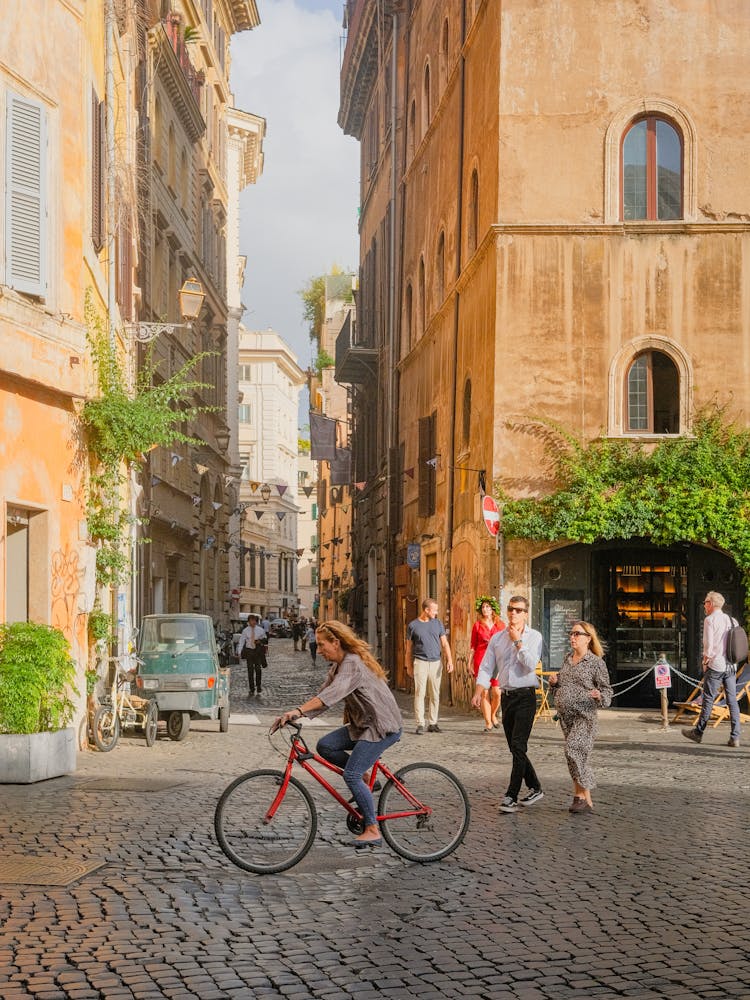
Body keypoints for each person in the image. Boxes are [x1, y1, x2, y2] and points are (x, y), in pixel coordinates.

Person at [274, 620, 403, 847]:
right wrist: (295, 714)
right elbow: (323, 697)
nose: (319, 650)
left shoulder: (352, 663)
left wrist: (298, 710)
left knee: (350, 775)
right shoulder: (337, 667)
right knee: (326, 746)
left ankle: (372, 829)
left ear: (336, 642)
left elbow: (331, 694)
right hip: (363, 724)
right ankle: (366, 779)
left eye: (322, 645)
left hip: (382, 726)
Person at [471, 595, 543, 813]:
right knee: (514, 747)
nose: (514, 613)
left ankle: (511, 795)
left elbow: (531, 664)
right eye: (511, 609)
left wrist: (517, 642)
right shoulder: (497, 639)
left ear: (526, 613)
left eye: (519, 610)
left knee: (519, 745)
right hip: (507, 697)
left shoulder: (535, 637)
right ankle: (536, 787)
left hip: (526, 697)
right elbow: (486, 667)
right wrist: (478, 691)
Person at [547, 621, 612, 814]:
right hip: (566, 717)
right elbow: (561, 686)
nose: (573, 637)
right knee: (574, 756)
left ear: (588, 638)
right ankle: (583, 799)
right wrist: (554, 682)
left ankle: (582, 795)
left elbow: (607, 691)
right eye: (571, 633)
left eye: (577, 634)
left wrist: (599, 696)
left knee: (573, 749)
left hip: (585, 717)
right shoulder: (567, 659)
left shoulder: (596, 663)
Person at [683, 591, 742, 748]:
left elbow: (708, 645)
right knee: (732, 700)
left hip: (716, 664)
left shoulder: (710, 620)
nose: (704, 604)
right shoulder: (732, 620)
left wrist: (705, 661)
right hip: (730, 665)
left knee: (708, 698)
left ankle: (698, 732)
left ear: (711, 604)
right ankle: (735, 736)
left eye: (706, 602)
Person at [406, 598, 454, 735]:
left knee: (435, 694)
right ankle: (420, 723)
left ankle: (433, 723)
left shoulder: (437, 624)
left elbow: (444, 644)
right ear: (426, 610)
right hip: (420, 662)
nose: (437, 613)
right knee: (419, 693)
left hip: (436, 662)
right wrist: (408, 665)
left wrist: (450, 660)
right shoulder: (413, 625)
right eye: (435, 610)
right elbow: (408, 649)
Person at [470, 596, 505, 732]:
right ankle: (488, 722)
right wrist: (469, 663)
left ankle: (493, 714)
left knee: (497, 692)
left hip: (496, 660)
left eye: (488, 607)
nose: (485, 609)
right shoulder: (477, 625)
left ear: (492, 610)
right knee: (484, 692)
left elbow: (506, 643)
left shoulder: (500, 625)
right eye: (483, 607)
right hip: (481, 659)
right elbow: (473, 645)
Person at [237, 614, 267, 697]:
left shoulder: (260, 630)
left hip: (257, 651)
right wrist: (239, 652)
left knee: (258, 669)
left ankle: (258, 685)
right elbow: (242, 641)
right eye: (250, 621)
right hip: (249, 651)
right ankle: (251, 687)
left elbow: (265, 639)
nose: (252, 622)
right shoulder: (245, 631)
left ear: (256, 621)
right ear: (248, 621)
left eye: (254, 620)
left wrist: (260, 641)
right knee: (250, 670)